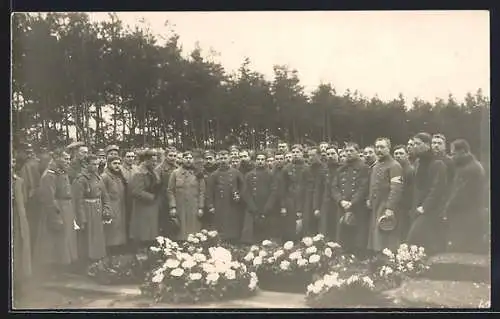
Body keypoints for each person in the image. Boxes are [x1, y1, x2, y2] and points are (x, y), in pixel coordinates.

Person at [34, 149, 78, 277]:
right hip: (56, 210)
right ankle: (54, 271)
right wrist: (55, 217)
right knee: (55, 242)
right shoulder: (50, 175)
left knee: (65, 241)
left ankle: (63, 268)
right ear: (57, 158)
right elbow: (49, 198)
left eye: (69, 159)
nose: (68, 162)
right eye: (65, 159)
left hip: (65, 209)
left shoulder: (60, 172)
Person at [406, 133, 448, 256]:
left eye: (418, 144)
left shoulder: (438, 164)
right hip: (418, 208)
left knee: (414, 239)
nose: (414, 146)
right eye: (413, 144)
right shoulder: (418, 162)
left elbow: (437, 189)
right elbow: (416, 187)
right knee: (421, 243)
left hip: (431, 209)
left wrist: (424, 207)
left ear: (427, 145)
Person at [443, 139, 487, 254]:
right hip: (469, 213)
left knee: (462, 249)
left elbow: (460, 193)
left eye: (453, 154)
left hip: (467, 214)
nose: (451, 157)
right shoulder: (470, 166)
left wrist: (447, 207)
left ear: (462, 151)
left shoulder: (469, 169)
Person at [331, 142, 370, 255]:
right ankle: (343, 254)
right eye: (346, 151)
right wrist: (340, 200)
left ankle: (358, 256)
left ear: (358, 152)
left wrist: (352, 202)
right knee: (343, 231)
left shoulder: (364, 168)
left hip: (357, 205)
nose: (348, 153)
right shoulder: (341, 168)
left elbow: (364, 187)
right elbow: (334, 187)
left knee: (358, 232)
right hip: (342, 204)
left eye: (351, 151)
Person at [72, 154, 111, 265]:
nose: (96, 166)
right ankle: (87, 261)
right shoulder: (81, 179)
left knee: (98, 236)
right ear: (86, 164)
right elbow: (78, 201)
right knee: (88, 237)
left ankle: (97, 259)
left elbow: (105, 195)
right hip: (87, 210)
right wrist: (82, 218)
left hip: (97, 210)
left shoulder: (98, 177)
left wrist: (106, 208)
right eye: (93, 164)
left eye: (97, 164)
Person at [367, 138, 404, 253]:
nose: (379, 150)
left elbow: (396, 188)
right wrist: (369, 198)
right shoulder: (376, 165)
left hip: (386, 204)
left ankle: (387, 261)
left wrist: (390, 207)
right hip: (376, 204)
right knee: (376, 236)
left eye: (382, 147)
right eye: (377, 147)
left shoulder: (394, 166)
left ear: (388, 148)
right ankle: (377, 260)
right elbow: (373, 184)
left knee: (387, 234)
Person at [206, 150, 246, 244]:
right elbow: (209, 192)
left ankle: (234, 242)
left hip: (233, 203)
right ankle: (222, 242)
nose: (223, 161)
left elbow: (244, 187)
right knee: (221, 225)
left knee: (233, 223)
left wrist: (239, 196)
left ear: (229, 159)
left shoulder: (236, 172)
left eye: (225, 158)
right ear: (218, 160)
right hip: (220, 204)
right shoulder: (214, 175)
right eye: (221, 158)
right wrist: (210, 206)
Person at [167, 151, 206, 241]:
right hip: (180, 206)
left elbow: (202, 191)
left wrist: (201, 207)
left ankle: (194, 247)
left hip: (194, 206)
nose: (188, 160)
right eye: (186, 158)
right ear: (182, 159)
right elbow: (170, 191)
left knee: (194, 230)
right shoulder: (175, 173)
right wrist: (172, 207)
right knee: (180, 230)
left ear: (193, 160)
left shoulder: (198, 174)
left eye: (190, 158)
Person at [129, 149, 162, 250]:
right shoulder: (139, 173)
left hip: (152, 207)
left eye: (156, 161)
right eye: (153, 161)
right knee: (143, 233)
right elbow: (136, 191)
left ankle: (149, 253)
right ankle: (142, 254)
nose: (154, 163)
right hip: (143, 208)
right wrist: (151, 197)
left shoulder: (153, 172)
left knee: (151, 233)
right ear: (146, 160)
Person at [241, 151, 276, 243]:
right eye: (258, 159)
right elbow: (245, 192)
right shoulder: (249, 175)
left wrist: (268, 206)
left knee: (266, 234)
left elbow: (274, 192)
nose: (260, 161)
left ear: (265, 161)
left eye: (262, 159)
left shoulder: (270, 174)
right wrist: (252, 206)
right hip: (252, 206)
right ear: (255, 161)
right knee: (251, 233)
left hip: (266, 206)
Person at [12, 154, 32, 299]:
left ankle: (18, 284)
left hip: (17, 220)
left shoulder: (18, 181)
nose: (12, 163)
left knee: (18, 250)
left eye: (13, 160)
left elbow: (23, 202)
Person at [279, 145, 308, 241]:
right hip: (290, 199)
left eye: (298, 152)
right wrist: (283, 206)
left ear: (302, 153)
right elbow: (282, 188)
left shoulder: (307, 168)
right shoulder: (286, 169)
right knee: (290, 222)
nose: (295, 154)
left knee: (303, 222)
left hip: (304, 199)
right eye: (293, 152)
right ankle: (290, 243)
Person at [101, 156, 128, 255]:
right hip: (111, 207)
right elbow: (103, 194)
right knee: (111, 231)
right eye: (114, 163)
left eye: (118, 163)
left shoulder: (120, 176)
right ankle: (110, 253)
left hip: (120, 206)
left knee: (119, 230)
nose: (117, 166)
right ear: (108, 164)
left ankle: (118, 251)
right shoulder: (105, 177)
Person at [393, 144, 415, 239]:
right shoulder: (394, 169)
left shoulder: (410, 170)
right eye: (396, 153)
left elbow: (412, 190)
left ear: (407, 155)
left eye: (401, 153)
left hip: (405, 205)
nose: (398, 155)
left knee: (403, 229)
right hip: (395, 204)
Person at [319, 146, 340, 239]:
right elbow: (319, 188)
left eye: (333, 153)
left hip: (338, 203)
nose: (330, 156)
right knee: (325, 228)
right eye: (328, 154)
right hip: (326, 203)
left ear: (337, 154)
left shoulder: (342, 168)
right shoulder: (323, 170)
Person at [156, 147, 178, 237]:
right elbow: (156, 185)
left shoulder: (177, 167)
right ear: (165, 156)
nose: (173, 158)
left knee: (174, 221)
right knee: (164, 220)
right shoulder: (159, 169)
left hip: (175, 197)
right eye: (170, 155)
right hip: (163, 198)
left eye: (175, 156)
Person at [302, 147, 324, 236]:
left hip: (322, 199)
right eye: (309, 155)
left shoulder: (324, 169)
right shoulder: (306, 170)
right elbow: (302, 187)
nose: (310, 157)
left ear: (319, 155)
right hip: (309, 200)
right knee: (309, 223)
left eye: (313, 155)